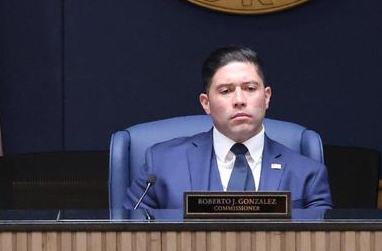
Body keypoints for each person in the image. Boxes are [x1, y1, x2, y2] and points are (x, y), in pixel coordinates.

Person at [122, 45, 332, 209]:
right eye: (225, 91)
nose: (239, 100)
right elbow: (127, 235)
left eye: (250, 88)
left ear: (266, 97)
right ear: (206, 103)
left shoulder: (308, 175)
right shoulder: (161, 164)